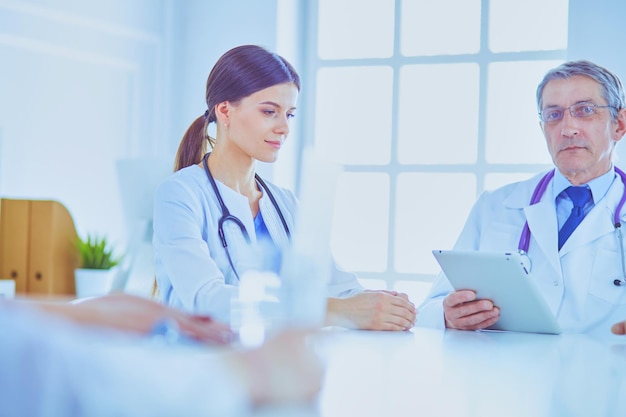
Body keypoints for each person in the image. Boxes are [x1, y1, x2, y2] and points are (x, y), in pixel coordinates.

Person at [152, 44, 416, 331]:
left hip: (272, 364)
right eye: (269, 112)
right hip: (200, 365)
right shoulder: (179, 194)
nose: (284, 128)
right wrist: (333, 310)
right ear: (225, 111)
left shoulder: (285, 203)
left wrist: (380, 304)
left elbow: (336, 285)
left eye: (289, 114)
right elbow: (206, 299)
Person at [417, 60, 626, 333]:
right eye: (553, 115)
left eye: (585, 111)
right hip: (506, 373)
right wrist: (448, 316)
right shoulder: (494, 207)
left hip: (603, 373)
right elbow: (431, 307)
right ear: (543, 129)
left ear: (619, 125)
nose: (567, 128)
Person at [0, 293, 322, 416]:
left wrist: (96, 310)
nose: (284, 137)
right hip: (233, 355)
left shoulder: (282, 199)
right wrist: (247, 371)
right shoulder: (180, 192)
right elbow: (38, 373)